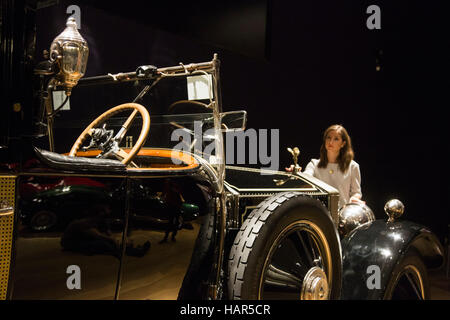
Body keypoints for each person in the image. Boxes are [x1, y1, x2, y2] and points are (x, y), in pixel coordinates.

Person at [287, 124, 364, 209]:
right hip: (319, 214)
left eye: (336, 139)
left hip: (343, 215)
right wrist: (296, 173)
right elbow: (306, 179)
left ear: (343, 144)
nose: (331, 142)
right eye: (329, 138)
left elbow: (356, 192)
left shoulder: (353, 166)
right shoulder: (314, 164)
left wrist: (354, 199)